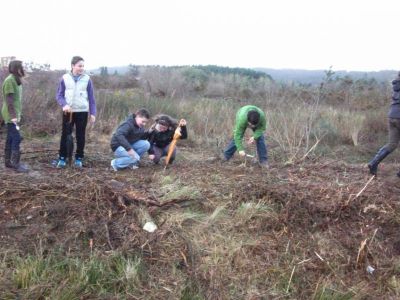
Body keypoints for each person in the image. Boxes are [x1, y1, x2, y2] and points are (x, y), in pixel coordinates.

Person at [54, 56, 96, 168]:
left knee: (80, 135)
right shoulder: (65, 78)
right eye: (79, 66)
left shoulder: (87, 79)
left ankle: (79, 158)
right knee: (65, 135)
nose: (82, 68)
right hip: (68, 112)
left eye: (83, 66)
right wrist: (64, 105)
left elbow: (91, 98)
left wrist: (93, 113)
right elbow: (59, 95)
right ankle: (62, 158)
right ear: (73, 66)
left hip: (82, 112)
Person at [368, 72, 400, 177]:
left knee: (392, 144)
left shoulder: (396, 85)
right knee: (392, 144)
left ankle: (373, 163)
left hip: (392, 117)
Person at [1, 60, 29, 172]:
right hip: (10, 114)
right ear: (17, 68)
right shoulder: (9, 80)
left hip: (14, 113)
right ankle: (15, 164)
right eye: (22, 67)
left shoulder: (16, 80)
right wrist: (13, 116)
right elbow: (9, 100)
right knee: (17, 137)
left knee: (10, 137)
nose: (24, 69)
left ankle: (8, 162)